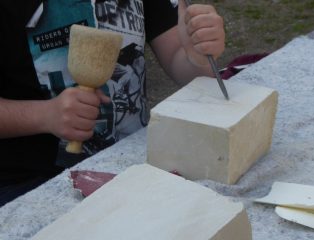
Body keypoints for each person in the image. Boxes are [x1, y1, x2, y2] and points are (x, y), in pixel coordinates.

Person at [0, 0, 225, 206]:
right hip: (35, 185)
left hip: (133, 162)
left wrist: (196, 54)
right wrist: (43, 116)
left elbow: (180, 60)